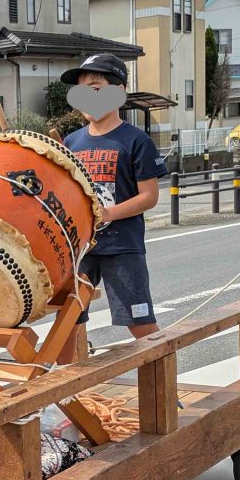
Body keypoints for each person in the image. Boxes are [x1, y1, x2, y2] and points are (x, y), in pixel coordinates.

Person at [60, 54, 166, 360]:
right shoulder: (72, 141)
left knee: (141, 322)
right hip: (80, 248)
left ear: (118, 91)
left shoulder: (135, 141)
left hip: (122, 246)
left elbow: (149, 196)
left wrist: (108, 213)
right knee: (68, 320)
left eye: (96, 88)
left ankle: (167, 392)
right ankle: (69, 396)